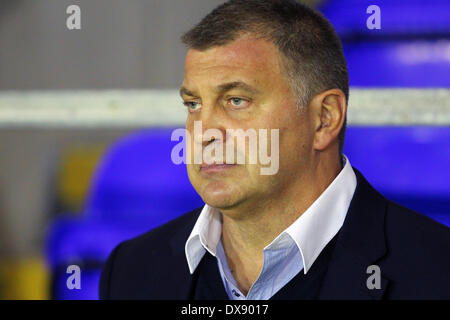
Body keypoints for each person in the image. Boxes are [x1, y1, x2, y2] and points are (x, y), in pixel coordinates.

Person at [99, 0, 450, 300]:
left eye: (236, 100)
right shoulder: (131, 271)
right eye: (193, 104)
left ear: (324, 119)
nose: (202, 132)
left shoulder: (436, 272)